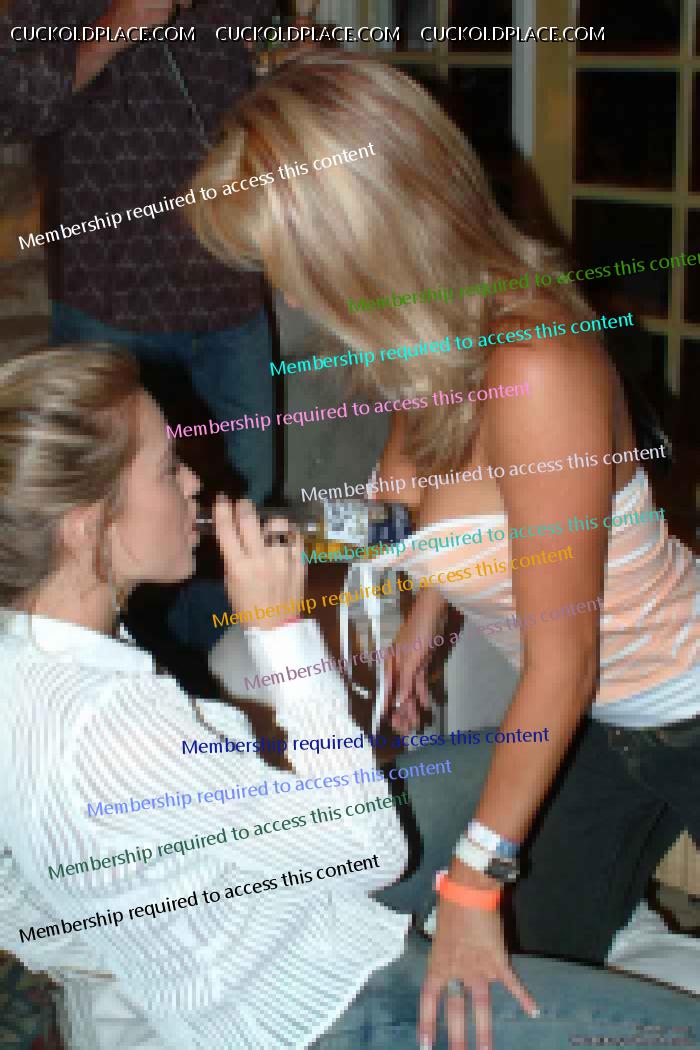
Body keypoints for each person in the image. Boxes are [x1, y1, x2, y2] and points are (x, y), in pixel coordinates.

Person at [186, 51, 700, 1048]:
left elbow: (563, 659)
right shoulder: (423, 344)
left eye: (288, 256)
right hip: (600, 731)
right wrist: (429, 616)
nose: (282, 286)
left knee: (485, 940)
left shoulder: (535, 364)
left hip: (679, 698)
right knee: (513, 993)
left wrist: (473, 881)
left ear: (362, 235)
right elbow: (456, 508)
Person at [0, 346, 697, 1050]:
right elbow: (371, 848)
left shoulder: (28, 651)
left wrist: (136, 931)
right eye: (166, 468)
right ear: (86, 524)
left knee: (518, 759)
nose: (194, 482)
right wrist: (280, 634)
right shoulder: (106, 725)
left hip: (300, 908)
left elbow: (18, 907)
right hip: (327, 1009)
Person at [0, 0, 275, 502]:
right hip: (110, 300)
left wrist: (293, 65)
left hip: (231, 292)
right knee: (108, 506)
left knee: (246, 502)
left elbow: (260, 81)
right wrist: (114, 28)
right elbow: (14, 104)